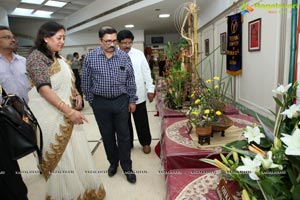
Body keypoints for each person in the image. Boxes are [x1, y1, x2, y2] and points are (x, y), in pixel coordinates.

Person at [26, 21, 105, 199]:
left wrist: (76, 94)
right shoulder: (36, 58)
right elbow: (44, 89)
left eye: (64, 38)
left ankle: (84, 191)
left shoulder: (59, 58)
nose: (62, 41)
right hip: (50, 117)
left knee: (76, 152)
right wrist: (68, 111)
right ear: (46, 38)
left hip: (66, 114)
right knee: (62, 158)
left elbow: (67, 81)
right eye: (58, 37)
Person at [82, 26, 137, 184]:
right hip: (100, 102)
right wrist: (92, 102)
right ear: (100, 41)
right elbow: (86, 82)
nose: (112, 44)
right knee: (107, 136)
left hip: (121, 101)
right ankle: (113, 163)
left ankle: (127, 167)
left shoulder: (123, 57)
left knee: (124, 136)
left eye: (114, 40)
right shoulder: (91, 57)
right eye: (108, 41)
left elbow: (130, 80)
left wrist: (132, 99)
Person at [0, 25, 30, 200]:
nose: (12, 39)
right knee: (10, 155)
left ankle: (44, 166)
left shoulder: (23, 61)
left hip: (29, 112)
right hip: (7, 118)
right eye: (6, 37)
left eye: (12, 36)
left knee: (35, 143)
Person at [117, 30, 155, 154]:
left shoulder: (139, 54)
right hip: (121, 96)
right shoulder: (113, 55)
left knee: (142, 121)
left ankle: (145, 143)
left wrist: (150, 89)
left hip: (139, 95)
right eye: (124, 43)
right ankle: (128, 144)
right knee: (124, 123)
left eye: (129, 42)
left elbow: (146, 72)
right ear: (118, 43)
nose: (127, 45)